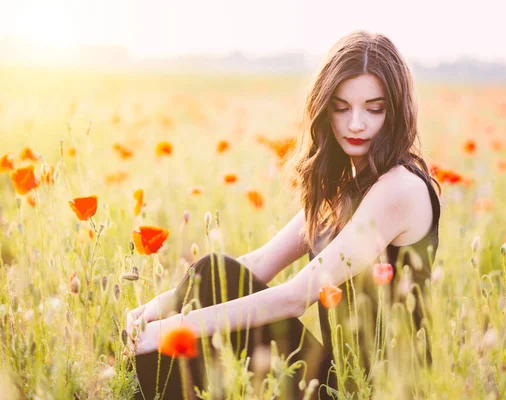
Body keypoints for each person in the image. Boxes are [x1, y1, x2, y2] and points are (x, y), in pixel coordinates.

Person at [125, 29, 441, 399]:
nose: (356, 123)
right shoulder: (344, 186)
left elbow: (296, 296)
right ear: (324, 110)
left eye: (374, 108)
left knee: (189, 320)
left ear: (397, 110)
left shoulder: (398, 189)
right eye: (341, 107)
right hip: (337, 379)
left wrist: (175, 328)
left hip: (381, 390)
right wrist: (156, 309)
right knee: (213, 272)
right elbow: (257, 263)